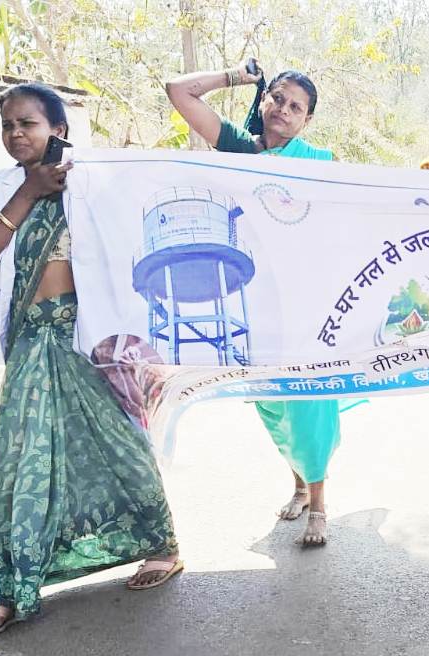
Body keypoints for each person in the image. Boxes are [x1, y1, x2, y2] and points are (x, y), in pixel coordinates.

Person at [0, 83, 181, 637]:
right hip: (31, 341)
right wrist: (28, 191)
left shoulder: (92, 180)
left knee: (118, 443)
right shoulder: (3, 186)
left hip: (87, 337)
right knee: (20, 461)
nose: (14, 134)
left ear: (58, 129)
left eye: (26, 123)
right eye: (7, 125)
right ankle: (12, 587)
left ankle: (161, 545)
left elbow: (131, 249)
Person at [167, 59, 348, 546]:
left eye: (296, 107)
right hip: (254, 298)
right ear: (265, 100)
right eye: (278, 98)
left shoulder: (319, 162)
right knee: (271, 403)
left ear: (307, 120)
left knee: (308, 399)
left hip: (305, 298)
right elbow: (178, 91)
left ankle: (320, 504)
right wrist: (239, 77)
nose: (283, 110)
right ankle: (298, 485)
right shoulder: (237, 149)